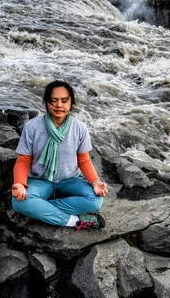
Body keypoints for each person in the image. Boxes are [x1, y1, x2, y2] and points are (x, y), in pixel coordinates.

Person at [11, 80, 108, 231]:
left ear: (71, 102)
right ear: (46, 102)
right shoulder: (32, 127)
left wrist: (95, 182)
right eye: (53, 100)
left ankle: (41, 208)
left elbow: (84, 160)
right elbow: (23, 160)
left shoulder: (80, 128)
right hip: (40, 181)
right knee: (18, 202)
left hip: (70, 180)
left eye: (64, 100)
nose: (59, 105)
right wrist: (19, 184)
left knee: (96, 201)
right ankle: (73, 221)